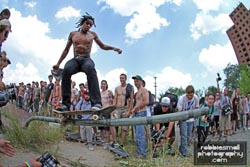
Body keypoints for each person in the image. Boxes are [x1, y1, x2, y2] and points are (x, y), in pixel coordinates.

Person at [53, 13, 122, 111]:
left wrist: (113, 48)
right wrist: (58, 63)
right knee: (66, 70)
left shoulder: (92, 35)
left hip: (86, 59)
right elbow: (66, 49)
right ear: (82, 23)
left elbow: (103, 46)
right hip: (76, 60)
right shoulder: (73, 34)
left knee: (91, 69)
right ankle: (65, 105)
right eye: (87, 23)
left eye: (91, 25)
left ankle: (97, 103)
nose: (88, 26)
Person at [110, 73, 134, 149]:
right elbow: (115, 99)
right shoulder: (117, 88)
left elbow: (131, 100)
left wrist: (129, 111)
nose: (121, 79)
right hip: (117, 108)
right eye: (120, 78)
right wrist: (113, 109)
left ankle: (121, 144)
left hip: (125, 108)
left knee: (124, 127)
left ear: (125, 79)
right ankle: (114, 141)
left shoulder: (130, 88)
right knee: (112, 123)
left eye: (123, 78)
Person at [177, 85, 199, 157]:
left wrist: (195, 119)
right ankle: (184, 153)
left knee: (188, 136)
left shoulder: (196, 98)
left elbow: (196, 108)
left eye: (191, 95)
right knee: (183, 136)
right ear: (186, 93)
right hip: (183, 119)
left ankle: (181, 149)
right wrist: (180, 119)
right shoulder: (182, 98)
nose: (189, 97)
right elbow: (179, 110)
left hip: (191, 120)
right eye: (188, 95)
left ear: (193, 93)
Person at [131, 75, 149, 158]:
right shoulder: (138, 92)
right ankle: (139, 152)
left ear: (141, 81)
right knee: (138, 134)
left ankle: (143, 153)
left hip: (141, 113)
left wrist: (136, 108)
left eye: (137, 81)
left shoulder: (144, 90)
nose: (136, 83)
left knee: (140, 134)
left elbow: (146, 102)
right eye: (135, 81)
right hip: (137, 113)